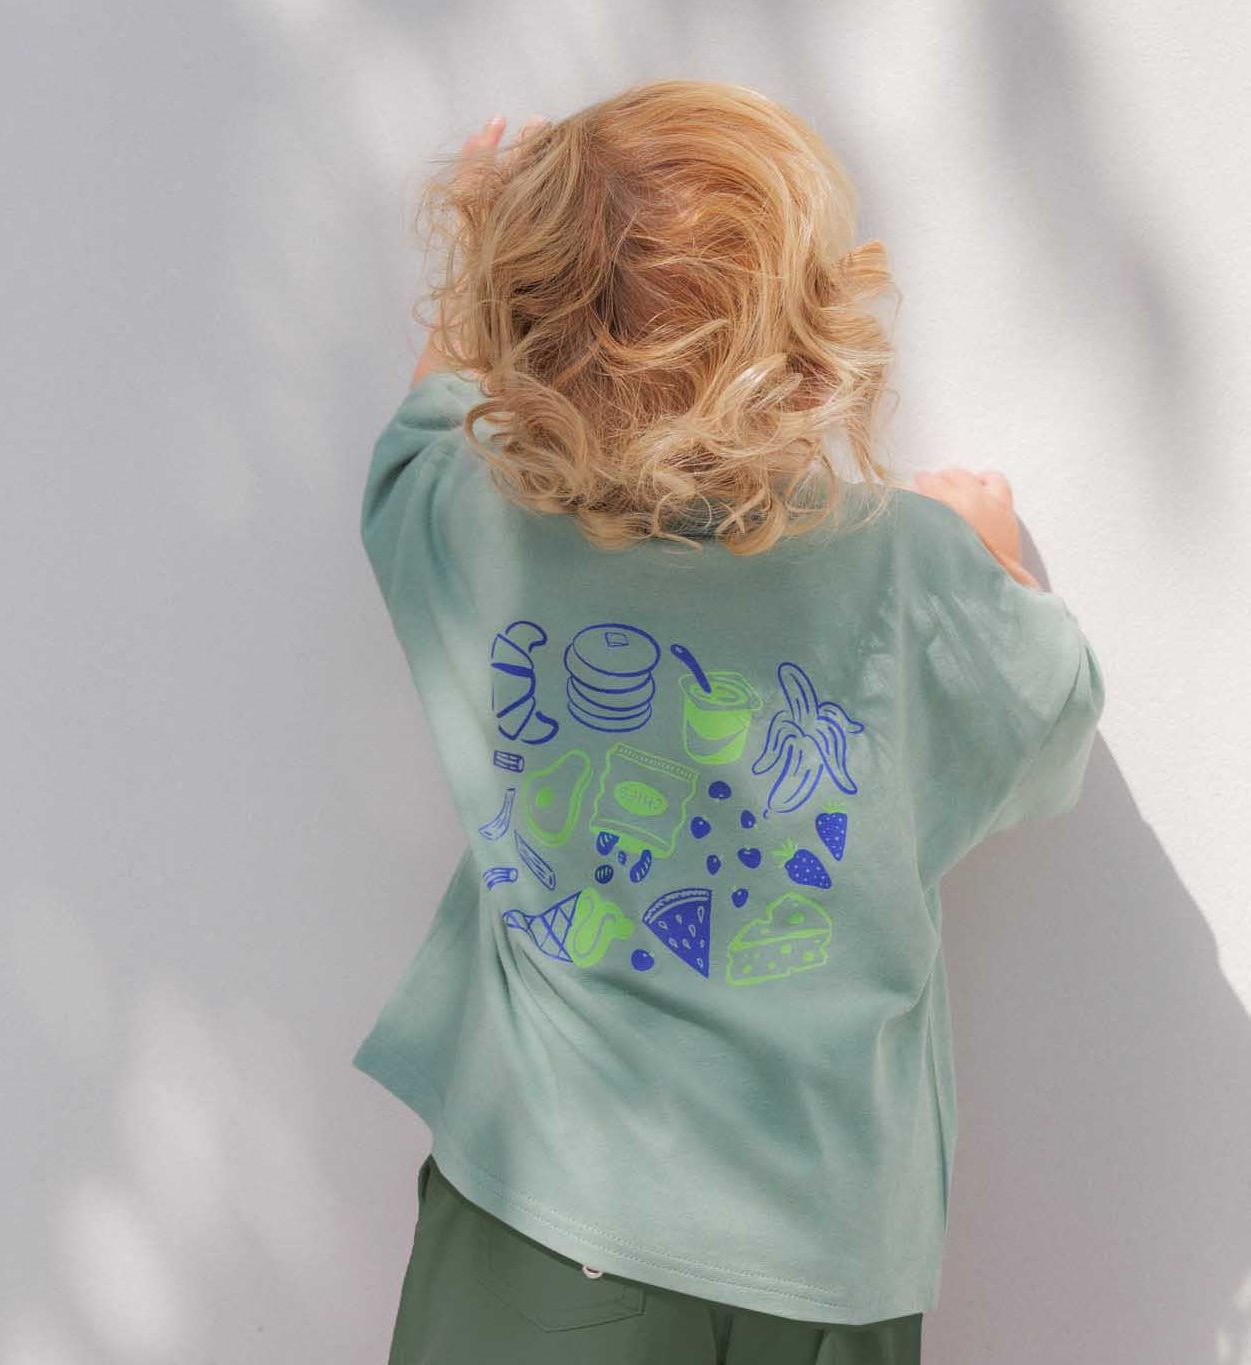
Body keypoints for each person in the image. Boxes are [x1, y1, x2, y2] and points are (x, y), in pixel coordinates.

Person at [354, 79, 1105, 1365]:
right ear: (809, 352)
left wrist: (480, 264)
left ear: (523, 338)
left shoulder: (471, 534)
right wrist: (991, 551)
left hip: (545, 1228)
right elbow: (1049, 723)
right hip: (821, 1268)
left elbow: (417, 434)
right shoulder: (908, 571)